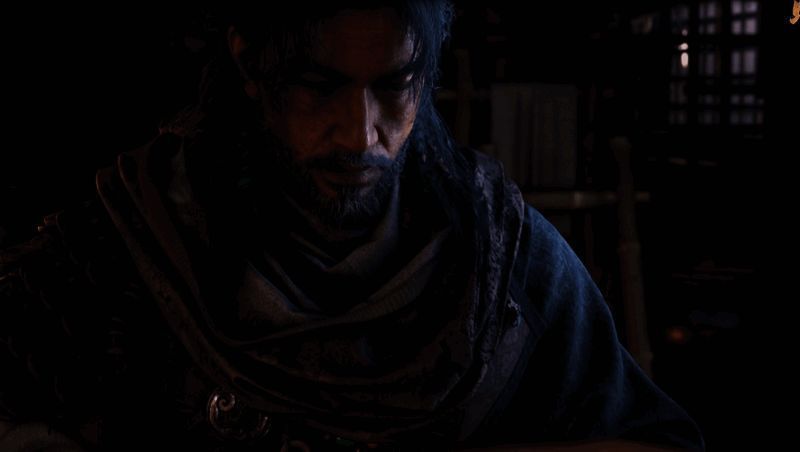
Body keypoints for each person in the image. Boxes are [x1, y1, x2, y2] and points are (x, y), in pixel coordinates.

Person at [0, 2, 704, 450]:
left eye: (394, 85)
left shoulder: (498, 256)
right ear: (252, 64)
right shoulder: (135, 239)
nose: (360, 133)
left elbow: (653, 440)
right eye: (320, 86)